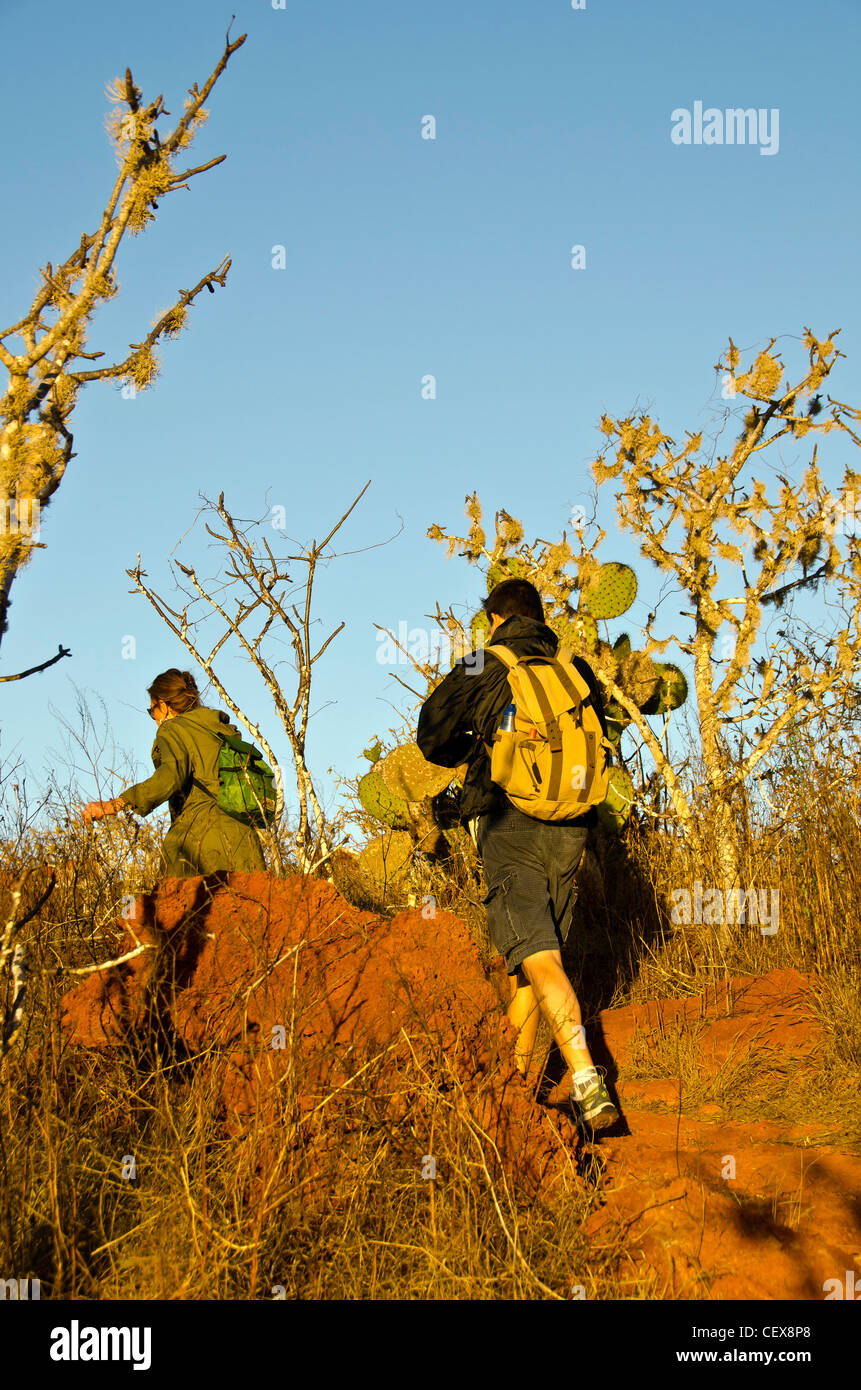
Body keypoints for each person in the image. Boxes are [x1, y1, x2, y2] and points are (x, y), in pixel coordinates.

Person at [416, 578, 620, 1133]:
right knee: (531, 962)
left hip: (509, 820)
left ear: (495, 620)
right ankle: (514, 1088)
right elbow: (605, 739)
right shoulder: (573, 672)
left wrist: (475, 745)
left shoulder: (487, 661)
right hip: (572, 823)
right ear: (539, 617)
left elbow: (429, 734)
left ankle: (585, 1078)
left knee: (540, 957)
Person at [82, 668, 266, 879]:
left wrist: (114, 805)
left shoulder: (174, 729)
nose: (155, 718)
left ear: (164, 705)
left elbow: (170, 777)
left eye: (153, 711)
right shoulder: (222, 730)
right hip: (245, 843)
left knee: (178, 905)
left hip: (200, 841)